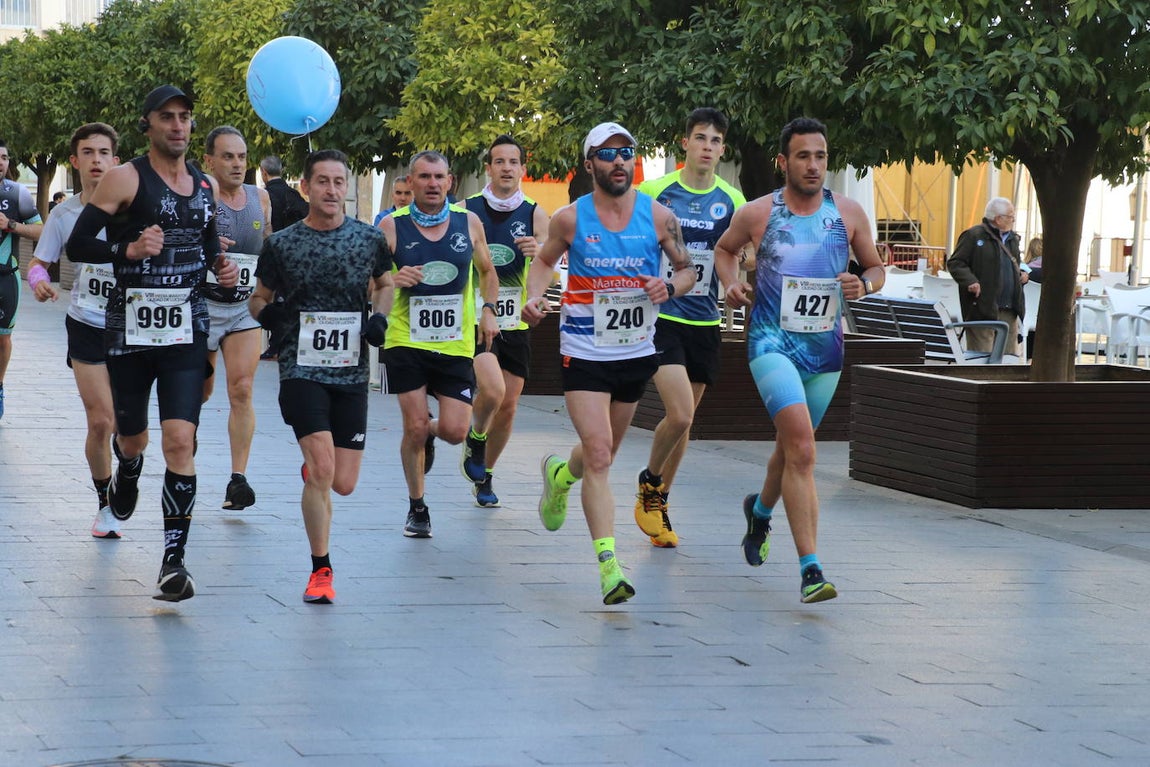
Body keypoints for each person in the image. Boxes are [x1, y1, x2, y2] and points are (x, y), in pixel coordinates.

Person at [66, 84, 239, 602]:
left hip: (187, 329)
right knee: (134, 438)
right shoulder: (125, 177)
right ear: (148, 124)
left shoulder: (203, 186)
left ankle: (172, 562)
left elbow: (209, 248)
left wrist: (223, 271)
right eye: (167, 117)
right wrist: (129, 247)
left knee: (181, 441)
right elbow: (78, 244)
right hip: (130, 332)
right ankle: (129, 468)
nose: (179, 127)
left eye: (185, 117)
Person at [520, 122, 695, 605]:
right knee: (599, 453)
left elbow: (687, 271)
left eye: (627, 153)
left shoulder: (660, 217)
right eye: (608, 153)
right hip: (584, 351)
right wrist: (534, 298)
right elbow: (544, 263)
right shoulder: (571, 219)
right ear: (590, 163)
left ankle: (559, 475)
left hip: (636, 352)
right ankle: (609, 567)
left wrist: (670, 287)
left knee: (602, 454)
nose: (620, 161)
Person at [713, 116, 883, 604]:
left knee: (791, 448)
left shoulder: (847, 213)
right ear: (783, 162)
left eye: (821, 156)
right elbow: (725, 252)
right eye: (804, 156)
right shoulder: (758, 213)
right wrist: (730, 283)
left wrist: (864, 285)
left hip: (825, 351)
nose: (814, 165)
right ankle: (811, 569)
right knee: (804, 451)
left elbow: (875, 268)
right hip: (770, 344)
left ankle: (759, 513)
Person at [250, 148, 393, 605]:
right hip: (300, 368)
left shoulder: (369, 239)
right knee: (324, 472)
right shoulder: (282, 243)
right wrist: (269, 315)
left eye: (339, 182)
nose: (332, 190)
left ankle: (317, 469)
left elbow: (386, 283)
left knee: (343, 482)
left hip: (350, 370)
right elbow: (258, 298)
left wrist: (381, 319)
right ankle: (321, 570)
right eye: (323, 182)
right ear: (306, 187)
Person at [633, 107, 746, 548]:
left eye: (716, 141)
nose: (707, 147)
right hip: (661, 319)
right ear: (685, 143)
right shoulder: (655, 191)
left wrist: (736, 284)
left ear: (722, 149)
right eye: (700, 138)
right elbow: (632, 238)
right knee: (678, 412)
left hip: (706, 319)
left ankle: (659, 502)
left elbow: (737, 253)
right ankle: (650, 483)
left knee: (685, 421)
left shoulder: (733, 200)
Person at [378, 150, 499, 539]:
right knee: (412, 425)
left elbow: (487, 271)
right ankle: (417, 507)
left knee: (454, 430)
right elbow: (369, 283)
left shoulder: (470, 223)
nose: (432, 184)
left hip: (454, 343)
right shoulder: (391, 228)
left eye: (439, 177)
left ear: (450, 182)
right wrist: (394, 281)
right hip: (404, 339)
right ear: (410, 182)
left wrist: (490, 310)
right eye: (424, 177)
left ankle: (430, 432)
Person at [27, 123, 120, 538]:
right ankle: (105, 505)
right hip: (86, 323)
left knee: (126, 426)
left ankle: (126, 473)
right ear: (75, 161)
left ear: (116, 161)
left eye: (104, 152)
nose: (96, 160)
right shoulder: (64, 215)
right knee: (101, 421)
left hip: (134, 328)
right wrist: (37, 282)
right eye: (88, 152)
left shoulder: (135, 207)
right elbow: (38, 263)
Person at [462, 135, 550, 507]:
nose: (507, 168)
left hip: (515, 320)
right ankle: (476, 437)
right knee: (493, 391)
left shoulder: (535, 213)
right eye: (499, 161)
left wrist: (541, 251)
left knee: (510, 404)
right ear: (489, 168)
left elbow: (550, 265)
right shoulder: (465, 210)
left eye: (513, 162)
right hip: (478, 316)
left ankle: (487, 474)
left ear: (522, 169)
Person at [202, 126, 271, 510]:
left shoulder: (260, 199)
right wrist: (206, 245)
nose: (237, 164)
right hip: (202, 306)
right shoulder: (200, 195)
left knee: (241, 389)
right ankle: (184, 443)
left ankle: (237, 480)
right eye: (227, 157)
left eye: (242, 157)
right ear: (209, 161)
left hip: (243, 309)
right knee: (202, 391)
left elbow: (269, 248)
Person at [0, 137, 45, 420]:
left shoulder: (17, 194)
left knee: (3, 340)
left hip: (6, 277)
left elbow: (42, 231)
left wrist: (11, 225)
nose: (0, 163)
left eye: (4, 157)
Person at [947, 197, 1026, 356]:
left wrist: (1021, 274)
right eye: (1011, 216)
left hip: (1009, 309)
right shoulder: (974, 235)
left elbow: (1014, 262)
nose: (1013, 220)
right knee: (982, 357)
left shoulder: (1012, 239)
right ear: (998, 219)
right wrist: (970, 281)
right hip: (982, 306)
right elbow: (956, 262)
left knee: (1008, 359)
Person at [258, 155, 308, 361]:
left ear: (263, 172)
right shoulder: (293, 194)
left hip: (273, 255)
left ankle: (276, 345)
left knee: (272, 300)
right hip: (297, 255)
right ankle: (281, 343)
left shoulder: (264, 195)